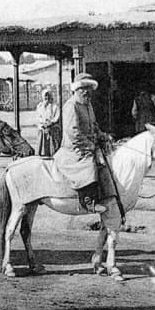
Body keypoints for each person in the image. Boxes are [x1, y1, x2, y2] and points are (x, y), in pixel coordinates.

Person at [53, 73, 110, 213]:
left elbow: (94, 125)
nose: (86, 91)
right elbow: (73, 132)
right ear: (76, 89)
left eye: (89, 88)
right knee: (89, 164)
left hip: (87, 143)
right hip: (74, 148)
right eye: (82, 88)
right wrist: (89, 145)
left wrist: (102, 136)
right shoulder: (71, 106)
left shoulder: (88, 105)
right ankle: (88, 200)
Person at [36, 90, 61, 156]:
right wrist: (43, 123)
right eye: (45, 96)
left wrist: (50, 123)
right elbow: (39, 117)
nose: (46, 98)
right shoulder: (40, 106)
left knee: (52, 147)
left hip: (52, 128)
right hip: (43, 128)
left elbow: (56, 117)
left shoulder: (55, 106)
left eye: (48, 96)